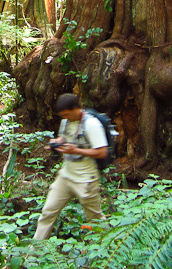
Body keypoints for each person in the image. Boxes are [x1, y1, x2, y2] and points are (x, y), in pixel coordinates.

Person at [33, 93, 107, 240]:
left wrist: (76, 150)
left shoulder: (91, 124)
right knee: (48, 212)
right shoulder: (66, 121)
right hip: (66, 176)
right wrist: (57, 143)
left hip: (86, 179)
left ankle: (108, 250)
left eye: (66, 114)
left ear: (76, 109)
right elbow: (64, 137)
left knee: (95, 219)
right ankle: (34, 251)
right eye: (62, 115)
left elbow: (102, 152)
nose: (64, 118)